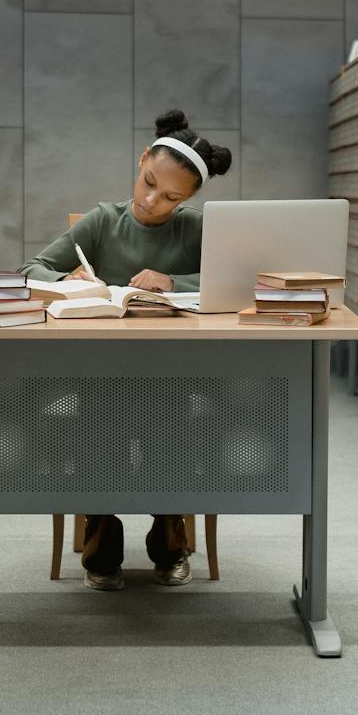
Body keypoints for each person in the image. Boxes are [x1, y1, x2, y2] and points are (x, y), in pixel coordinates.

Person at [21, 108, 233, 593]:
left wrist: (173, 281)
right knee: (103, 426)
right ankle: (102, 546)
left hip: (177, 374)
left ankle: (169, 540)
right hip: (101, 371)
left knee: (171, 426)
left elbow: (238, 282)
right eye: (148, 182)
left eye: (171, 197)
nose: (152, 200)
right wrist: (66, 279)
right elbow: (28, 270)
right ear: (142, 161)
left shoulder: (196, 229)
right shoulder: (102, 221)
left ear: (191, 198)